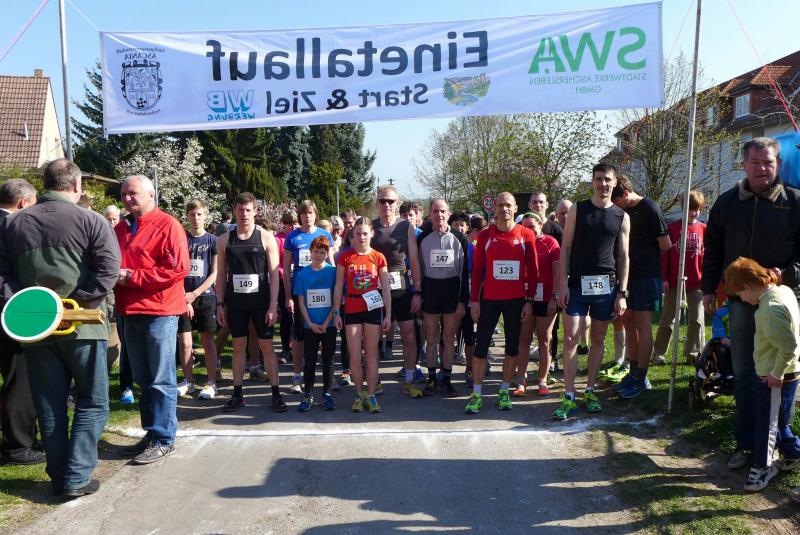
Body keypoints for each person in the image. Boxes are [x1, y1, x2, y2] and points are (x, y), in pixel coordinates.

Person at [0, 160, 119, 496]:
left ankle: (59, 476)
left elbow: (2, 277)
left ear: (45, 183)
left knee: (49, 404)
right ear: (77, 184)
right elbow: (108, 272)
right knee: (92, 401)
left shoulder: (14, 223)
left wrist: (36, 307)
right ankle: (76, 477)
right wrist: (72, 305)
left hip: (37, 327)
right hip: (83, 326)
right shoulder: (92, 220)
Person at [702, 136, 800, 470]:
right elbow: (713, 250)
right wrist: (707, 289)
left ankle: (779, 443)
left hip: (781, 302)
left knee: (782, 374)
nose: (762, 169)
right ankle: (746, 444)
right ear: (744, 164)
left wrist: (787, 275)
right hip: (741, 303)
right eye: (755, 162)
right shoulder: (726, 203)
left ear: (778, 164)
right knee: (745, 373)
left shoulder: (795, 202)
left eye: (768, 162)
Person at [114, 175, 189, 464]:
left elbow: (177, 269)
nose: (127, 198)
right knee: (143, 378)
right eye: (123, 193)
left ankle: (164, 438)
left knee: (160, 378)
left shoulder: (168, 225)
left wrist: (132, 277)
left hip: (159, 311)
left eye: (132, 193)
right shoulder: (121, 228)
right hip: (129, 310)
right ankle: (151, 433)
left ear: (150, 194)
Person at [555, 163, 630, 420]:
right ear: (592, 182)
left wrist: (622, 293)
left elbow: (624, 256)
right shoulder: (578, 209)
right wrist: (562, 284)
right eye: (598, 179)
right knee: (570, 339)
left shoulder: (622, 216)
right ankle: (569, 395)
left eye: (607, 180)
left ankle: (589, 390)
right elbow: (565, 248)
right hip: (577, 285)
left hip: (606, 287)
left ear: (614, 182)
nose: (603, 184)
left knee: (598, 339)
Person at [724, 257, 800, 492]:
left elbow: (789, 346)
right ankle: (794, 453)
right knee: (776, 421)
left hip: (776, 376)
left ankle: (762, 467)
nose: (741, 299)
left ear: (748, 287)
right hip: (779, 372)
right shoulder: (782, 290)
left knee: (767, 425)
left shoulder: (769, 309)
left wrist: (776, 374)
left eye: (740, 294)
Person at [465, 192, 539, 414]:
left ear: (515, 208)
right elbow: (477, 270)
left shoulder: (526, 235)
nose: (504, 209)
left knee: (512, 346)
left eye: (508, 205)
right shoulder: (485, 236)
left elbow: (533, 271)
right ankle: (476, 393)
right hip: (489, 299)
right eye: (500, 205)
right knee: (481, 347)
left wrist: (529, 300)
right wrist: (474, 301)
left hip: (516, 301)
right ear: (494, 209)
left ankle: (504, 389)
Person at [216, 193, 285, 413]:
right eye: (240, 209)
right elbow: (220, 275)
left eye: (248, 210)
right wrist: (220, 304)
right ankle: (237, 394)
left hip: (261, 302)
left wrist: (273, 305)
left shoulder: (266, 237)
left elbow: (274, 275)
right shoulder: (224, 240)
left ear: (256, 211)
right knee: (238, 347)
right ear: (234, 211)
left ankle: (276, 394)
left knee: (267, 347)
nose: (244, 214)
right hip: (236, 303)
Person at [611, 174, 670, 399]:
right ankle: (633, 372)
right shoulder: (622, 211)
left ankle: (642, 377)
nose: (616, 207)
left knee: (643, 324)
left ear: (626, 193)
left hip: (647, 276)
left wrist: (644, 255)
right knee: (628, 321)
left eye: (617, 202)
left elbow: (666, 244)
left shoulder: (650, 208)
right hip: (628, 277)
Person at [0, 179, 42, 466]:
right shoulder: (11, 228)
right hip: (10, 314)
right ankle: (18, 445)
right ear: (23, 203)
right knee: (20, 379)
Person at [333, 217, 392, 413]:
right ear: (353, 235)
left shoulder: (378, 257)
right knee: (355, 356)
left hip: (373, 309)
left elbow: (386, 288)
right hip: (352, 309)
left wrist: (388, 315)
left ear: (372, 234)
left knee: (372, 355)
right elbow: (338, 287)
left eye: (365, 233)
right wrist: (336, 313)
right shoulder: (345, 257)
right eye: (358, 233)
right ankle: (359, 394)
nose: (361, 237)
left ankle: (372, 395)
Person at [372, 185, 424, 398]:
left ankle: (409, 379)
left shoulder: (406, 227)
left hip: (401, 288)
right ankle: (374, 380)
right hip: (375, 289)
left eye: (390, 201)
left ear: (397, 203)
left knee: (409, 336)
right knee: (373, 338)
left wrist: (418, 292)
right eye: (382, 200)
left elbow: (414, 260)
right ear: (377, 202)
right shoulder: (370, 226)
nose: (386, 204)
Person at [418, 199, 469, 397]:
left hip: (451, 291)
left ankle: (446, 380)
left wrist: (462, 301)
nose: (439, 215)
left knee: (448, 338)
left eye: (442, 211)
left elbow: (464, 273)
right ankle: (431, 379)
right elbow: (418, 269)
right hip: (431, 291)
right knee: (431, 338)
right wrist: (418, 294)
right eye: (435, 211)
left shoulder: (459, 238)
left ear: (448, 213)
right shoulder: (423, 237)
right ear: (430, 214)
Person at [284, 201, 334, 393]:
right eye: (304, 213)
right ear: (300, 216)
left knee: (324, 332)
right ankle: (297, 377)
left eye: (310, 213)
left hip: (324, 290)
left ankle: (328, 377)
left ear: (316, 214)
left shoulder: (324, 234)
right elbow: (286, 269)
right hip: (302, 291)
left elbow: (332, 263)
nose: (307, 216)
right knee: (299, 336)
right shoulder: (292, 237)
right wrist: (288, 296)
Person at [652, 191, 706, 364]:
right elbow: (665, 255)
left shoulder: (704, 229)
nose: (693, 213)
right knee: (668, 319)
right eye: (690, 209)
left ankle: (692, 353)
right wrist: (664, 278)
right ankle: (659, 353)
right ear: (683, 208)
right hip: (675, 281)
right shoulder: (674, 228)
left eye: (696, 209)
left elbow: (707, 256)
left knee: (696, 319)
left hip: (697, 282)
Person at [513, 212, 560, 397]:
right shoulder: (518, 243)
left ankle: (542, 380)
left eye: (532, 226)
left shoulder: (550, 243)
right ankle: (521, 380)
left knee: (545, 340)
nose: (528, 230)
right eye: (524, 227)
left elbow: (557, 272)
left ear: (541, 226)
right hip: (524, 298)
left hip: (546, 298)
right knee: (523, 339)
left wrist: (555, 297)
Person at [177, 200, 219, 399]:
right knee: (185, 342)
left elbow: (215, 272)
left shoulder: (213, 240)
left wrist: (195, 294)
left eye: (199, 214)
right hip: (183, 297)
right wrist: (186, 298)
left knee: (207, 341)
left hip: (206, 296)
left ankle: (211, 382)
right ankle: (189, 381)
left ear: (205, 216)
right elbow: (177, 270)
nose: (196, 218)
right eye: (192, 214)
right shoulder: (181, 239)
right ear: (187, 216)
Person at [294, 236, 337, 411]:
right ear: (310, 252)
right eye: (316, 251)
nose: (319, 255)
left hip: (329, 325)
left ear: (327, 254)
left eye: (322, 252)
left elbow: (336, 300)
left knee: (328, 360)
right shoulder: (302, 274)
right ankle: (308, 394)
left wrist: (327, 322)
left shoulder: (333, 272)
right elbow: (301, 302)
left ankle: (327, 394)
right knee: (310, 360)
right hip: (310, 326)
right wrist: (310, 323)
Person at [275, 210, 298, 362]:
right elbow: (275, 262)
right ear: (284, 224)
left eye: (295, 224)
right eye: (289, 224)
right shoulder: (278, 239)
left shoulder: (298, 236)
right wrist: (284, 272)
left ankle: (298, 347)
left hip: (299, 280)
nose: (293, 227)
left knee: (299, 315)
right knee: (287, 315)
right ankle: (285, 349)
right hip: (283, 280)